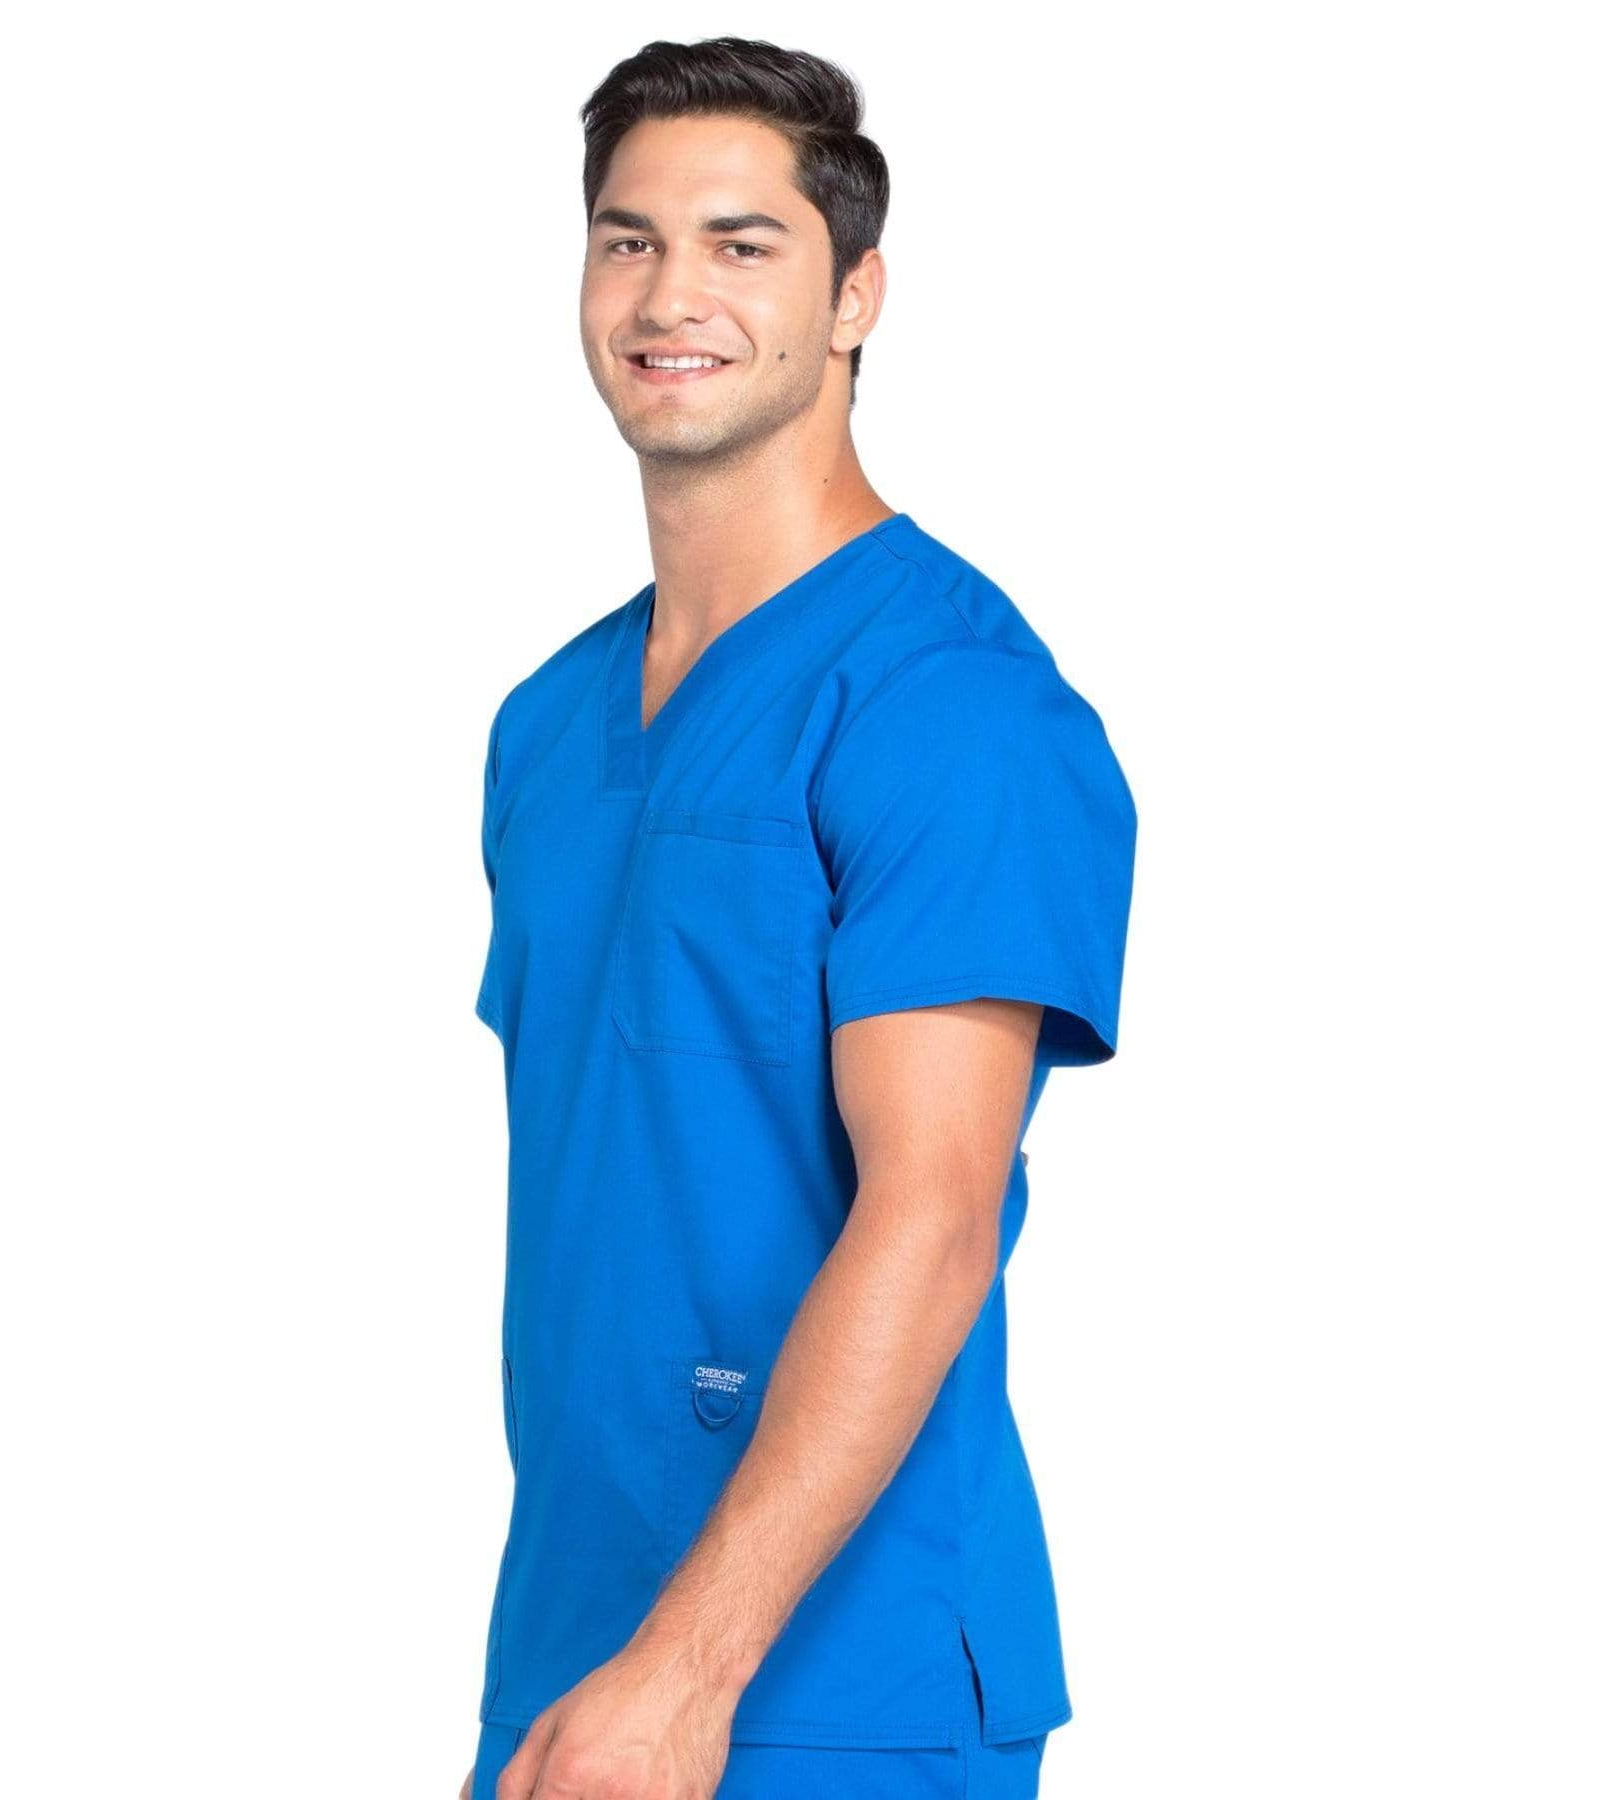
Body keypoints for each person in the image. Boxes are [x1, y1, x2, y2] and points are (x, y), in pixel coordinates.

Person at [461, 36, 1136, 1800]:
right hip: (570, 1648)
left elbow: (936, 1211)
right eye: (628, 240)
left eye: (742, 245)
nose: (669, 294)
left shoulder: (953, 708)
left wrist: (689, 1671)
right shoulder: (548, 725)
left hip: (836, 1678)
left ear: (855, 298)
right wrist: (618, 1673)